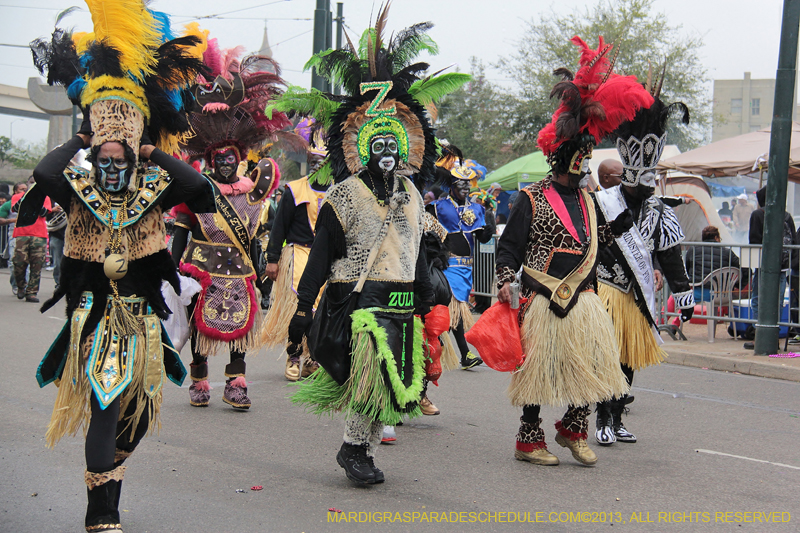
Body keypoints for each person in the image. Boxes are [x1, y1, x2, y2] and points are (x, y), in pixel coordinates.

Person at [27, 9, 212, 532]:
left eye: (119, 159)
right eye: (102, 159)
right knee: (106, 405)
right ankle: (101, 513)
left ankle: (107, 479)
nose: (110, 167)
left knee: (142, 413)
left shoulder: (153, 193)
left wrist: (150, 149)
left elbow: (199, 191)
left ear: (133, 160)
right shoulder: (79, 192)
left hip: (144, 320)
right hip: (97, 318)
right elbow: (45, 172)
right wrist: (85, 137)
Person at [282, 7, 466, 484]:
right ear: (364, 151)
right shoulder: (344, 195)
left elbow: (416, 245)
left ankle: (358, 448)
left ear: (403, 150)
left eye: (393, 145)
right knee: (367, 377)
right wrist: (303, 309)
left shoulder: (410, 193)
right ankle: (352, 449)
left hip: (401, 299)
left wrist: (428, 289)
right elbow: (321, 256)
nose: (388, 153)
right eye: (378, 146)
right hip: (360, 299)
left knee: (390, 382)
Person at [496, 35, 639, 467]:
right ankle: (528, 437)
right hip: (543, 295)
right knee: (540, 372)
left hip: (587, 297)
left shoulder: (590, 201)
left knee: (594, 366)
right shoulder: (531, 198)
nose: (583, 163)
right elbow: (509, 248)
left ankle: (574, 430)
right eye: (579, 155)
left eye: (587, 155)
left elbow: (608, 246)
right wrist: (505, 281)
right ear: (561, 156)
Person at [172, 39, 289, 408]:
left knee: (240, 328)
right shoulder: (195, 190)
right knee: (198, 328)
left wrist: (258, 264)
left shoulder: (251, 192)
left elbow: (253, 237)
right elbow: (180, 231)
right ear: (210, 161)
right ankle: (200, 380)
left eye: (230, 158)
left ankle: (236, 381)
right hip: (201, 268)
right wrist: (174, 271)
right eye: (218, 158)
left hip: (240, 269)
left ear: (239, 160)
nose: (225, 163)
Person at [593, 67, 696, 446]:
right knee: (607, 357)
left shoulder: (659, 212)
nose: (647, 182)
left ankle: (617, 417)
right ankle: (602, 416)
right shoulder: (603, 205)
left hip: (636, 299)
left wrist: (684, 298)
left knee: (628, 360)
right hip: (604, 293)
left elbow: (671, 258)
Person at [261, 145, 329, 381]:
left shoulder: (339, 193)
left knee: (322, 311)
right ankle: (294, 355)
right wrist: (272, 259)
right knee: (298, 309)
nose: (316, 164)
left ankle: (313, 358)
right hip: (297, 254)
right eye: (313, 159)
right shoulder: (294, 189)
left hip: (326, 259)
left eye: (322, 159)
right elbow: (279, 226)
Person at [428, 152, 496, 368]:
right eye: (461, 185)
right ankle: (464, 354)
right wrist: (437, 256)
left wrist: (490, 217)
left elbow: (483, 237)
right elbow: (429, 231)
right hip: (448, 266)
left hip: (467, 267)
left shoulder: (476, 209)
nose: (465, 189)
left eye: (468, 185)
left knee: (450, 309)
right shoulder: (438, 206)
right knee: (455, 308)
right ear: (451, 186)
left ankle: (436, 346)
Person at [744, 186, 796, 349]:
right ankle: (774, 335)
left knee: (758, 299)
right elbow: (793, 241)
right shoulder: (787, 216)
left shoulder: (758, 214)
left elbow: (754, 240)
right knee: (777, 301)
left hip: (763, 266)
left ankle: (759, 336)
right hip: (782, 266)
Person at [12, 175, 51, 303]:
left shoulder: (45, 197)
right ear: (28, 183)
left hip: (39, 235)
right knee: (19, 263)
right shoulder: (17, 197)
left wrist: (35, 200)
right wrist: (26, 197)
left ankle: (32, 292)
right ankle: (21, 286)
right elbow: (17, 209)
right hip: (22, 233)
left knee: (37, 264)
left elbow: (44, 213)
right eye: (32, 182)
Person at [684, 225, 740, 302]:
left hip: (696, 294)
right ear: (716, 238)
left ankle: (665, 313)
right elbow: (744, 268)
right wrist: (736, 285)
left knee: (676, 297)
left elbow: (686, 270)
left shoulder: (693, 250)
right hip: (721, 295)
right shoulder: (727, 253)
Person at [0, 182, 27, 293]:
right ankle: (16, 285)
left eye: (26, 189)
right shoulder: (8, 204)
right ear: (15, 192)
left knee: (27, 262)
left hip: (30, 236)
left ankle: (26, 286)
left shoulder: (34, 203)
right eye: (21, 189)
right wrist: (13, 220)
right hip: (14, 235)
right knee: (13, 261)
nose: (24, 191)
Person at [46, 202, 66, 289]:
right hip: (57, 235)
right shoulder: (51, 199)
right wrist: (52, 210)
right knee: (58, 262)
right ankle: (59, 283)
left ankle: (68, 283)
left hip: (71, 236)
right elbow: (45, 215)